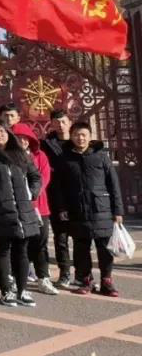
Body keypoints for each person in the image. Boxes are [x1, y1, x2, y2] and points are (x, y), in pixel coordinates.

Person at [0, 121, 42, 307]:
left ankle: (22, 290)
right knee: (2, 250)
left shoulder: (20, 154)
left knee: (22, 251)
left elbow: (35, 176)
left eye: (2, 131)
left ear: (9, 133)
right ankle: (6, 290)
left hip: (23, 209)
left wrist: (32, 192)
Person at [55, 122, 124, 297]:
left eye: (84, 134)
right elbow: (59, 187)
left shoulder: (101, 157)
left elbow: (113, 184)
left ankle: (107, 281)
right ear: (71, 136)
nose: (80, 138)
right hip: (77, 210)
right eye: (77, 134)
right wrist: (62, 207)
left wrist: (118, 211)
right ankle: (86, 281)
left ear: (90, 136)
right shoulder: (64, 158)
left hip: (101, 209)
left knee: (105, 249)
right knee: (80, 248)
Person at [13, 123, 58, 295]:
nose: (22, 141)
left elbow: (44, 178)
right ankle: (18, 279)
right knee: (20, 244)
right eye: (18, 138)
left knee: (40, 243)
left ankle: (43, 277)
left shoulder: (40, 156)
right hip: (18, 207)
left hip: (39, 206)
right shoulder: (8, 157)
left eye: (25, 138)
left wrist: (32, 194)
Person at [41, 109, 75, 289]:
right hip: (56, 197)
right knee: (61, 238)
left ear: (70, 122)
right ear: (52, 124)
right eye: (57, 122)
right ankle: (65, 272)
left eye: (63, 122)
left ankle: (84, 274)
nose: (61, 125)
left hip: (78, 196)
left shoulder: (78, 141)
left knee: (81, 238)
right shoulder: (46, 144)